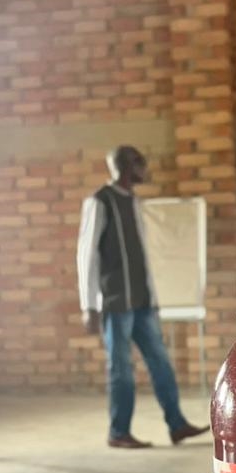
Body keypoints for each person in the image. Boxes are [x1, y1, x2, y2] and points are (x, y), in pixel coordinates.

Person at [77, 146, 207, 448]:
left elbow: (142, 257)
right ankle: (118, 432)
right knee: (121, 369)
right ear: (126, 166)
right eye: (140, 164)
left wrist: (153, 296)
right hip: (116, 302)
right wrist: (89, 305)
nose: (144, 170)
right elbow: (86, 255)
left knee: (160, 362)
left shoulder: (134, 202)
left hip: (143, 302)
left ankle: (177, 425)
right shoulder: (100, 201)